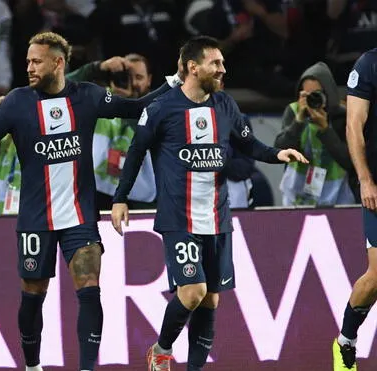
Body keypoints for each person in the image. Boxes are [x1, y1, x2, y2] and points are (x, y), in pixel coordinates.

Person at [0, 31, 173, 371]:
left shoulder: (88, 96)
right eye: (28, 60)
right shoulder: (17, 102)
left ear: (58, 63)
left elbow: (135, 106)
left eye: (36, 61)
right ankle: (32, 366)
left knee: (90, 289)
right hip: (35, 218)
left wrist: (175, 80)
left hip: (80, 216)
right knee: (32, 298)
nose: (29, 67)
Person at [110, 36, 308, 371]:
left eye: (222, 63)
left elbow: (249, 144)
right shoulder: (161, 108)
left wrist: (277, 154)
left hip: (218, 216)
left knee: (211, 299)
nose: (222, 69)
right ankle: (161, 349)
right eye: (215, 63)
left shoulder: (225, 105)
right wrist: (120, 199)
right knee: (192, 292)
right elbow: (136, 151)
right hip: (178, 216)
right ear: (192, 67)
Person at [332, 47, 377, 371]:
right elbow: (353, 126)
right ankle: (346, 339)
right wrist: (365, 180)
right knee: (376, 277)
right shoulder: (369, 64)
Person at [275, 61, 357, 206]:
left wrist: (326, 129)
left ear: (328, 93)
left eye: (317, 94)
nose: (312, 100)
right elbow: (280, 152)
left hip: (337, 195)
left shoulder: (342, 116)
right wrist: (298, 122)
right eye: (307, 95)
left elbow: (350, 161)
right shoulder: (294, 111)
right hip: (297, 194)